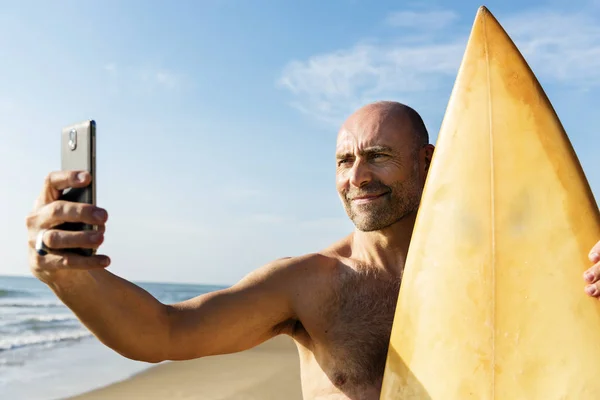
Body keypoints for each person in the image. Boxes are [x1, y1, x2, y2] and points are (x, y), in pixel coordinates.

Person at [26, 101, 600, 400]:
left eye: (378, 156)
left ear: (428, 162)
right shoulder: (312, 283)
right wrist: (71, 277)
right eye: (344, 161)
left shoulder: (503, 271)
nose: (358, 177)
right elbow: (164, 333)